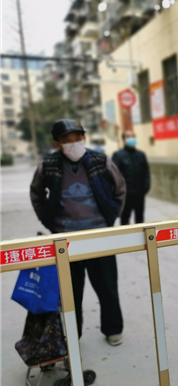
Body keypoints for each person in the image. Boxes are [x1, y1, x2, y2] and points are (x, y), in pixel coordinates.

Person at [30, 119, 126, 346]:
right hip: (65, 240)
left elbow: (119, 188)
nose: (73, 144)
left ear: (84, 138)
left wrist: (110, 217)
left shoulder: (101, 161)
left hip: (98, 237)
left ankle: (113, 329)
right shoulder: (49, 165)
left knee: (107, 286)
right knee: (71, 292)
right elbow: (36, 193)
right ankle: (73, 335)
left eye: (77, 138)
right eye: (67, 140)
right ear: (57, 144)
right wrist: (48, 220)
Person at [112, 130, 151, 225]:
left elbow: (146, 172)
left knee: (140, 218)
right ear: (124, 139)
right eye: (129, 137)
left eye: (133, 136)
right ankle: (126, 238)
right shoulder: (118, 155)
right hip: (126, 195)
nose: (131, 139)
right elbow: (114, 175)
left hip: (139, 193)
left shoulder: (141, 155)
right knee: (125, 218)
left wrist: (145, 187)